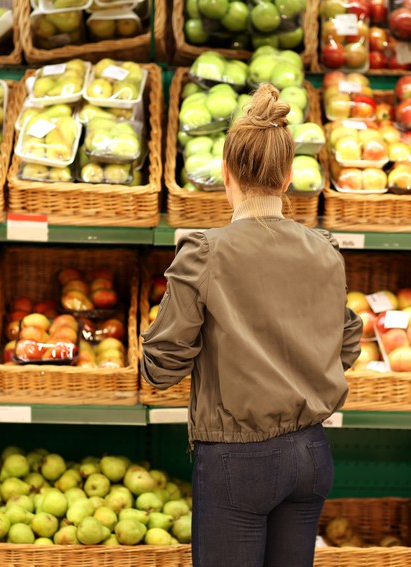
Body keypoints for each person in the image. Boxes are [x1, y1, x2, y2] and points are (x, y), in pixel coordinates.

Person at [140, 83, 363, 566]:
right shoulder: (325, 248)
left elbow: (160, 367)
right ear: (288, 178)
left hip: (237, 463)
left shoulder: (205, 253)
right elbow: (347, 344)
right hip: (311, 452)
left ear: (226, 175)